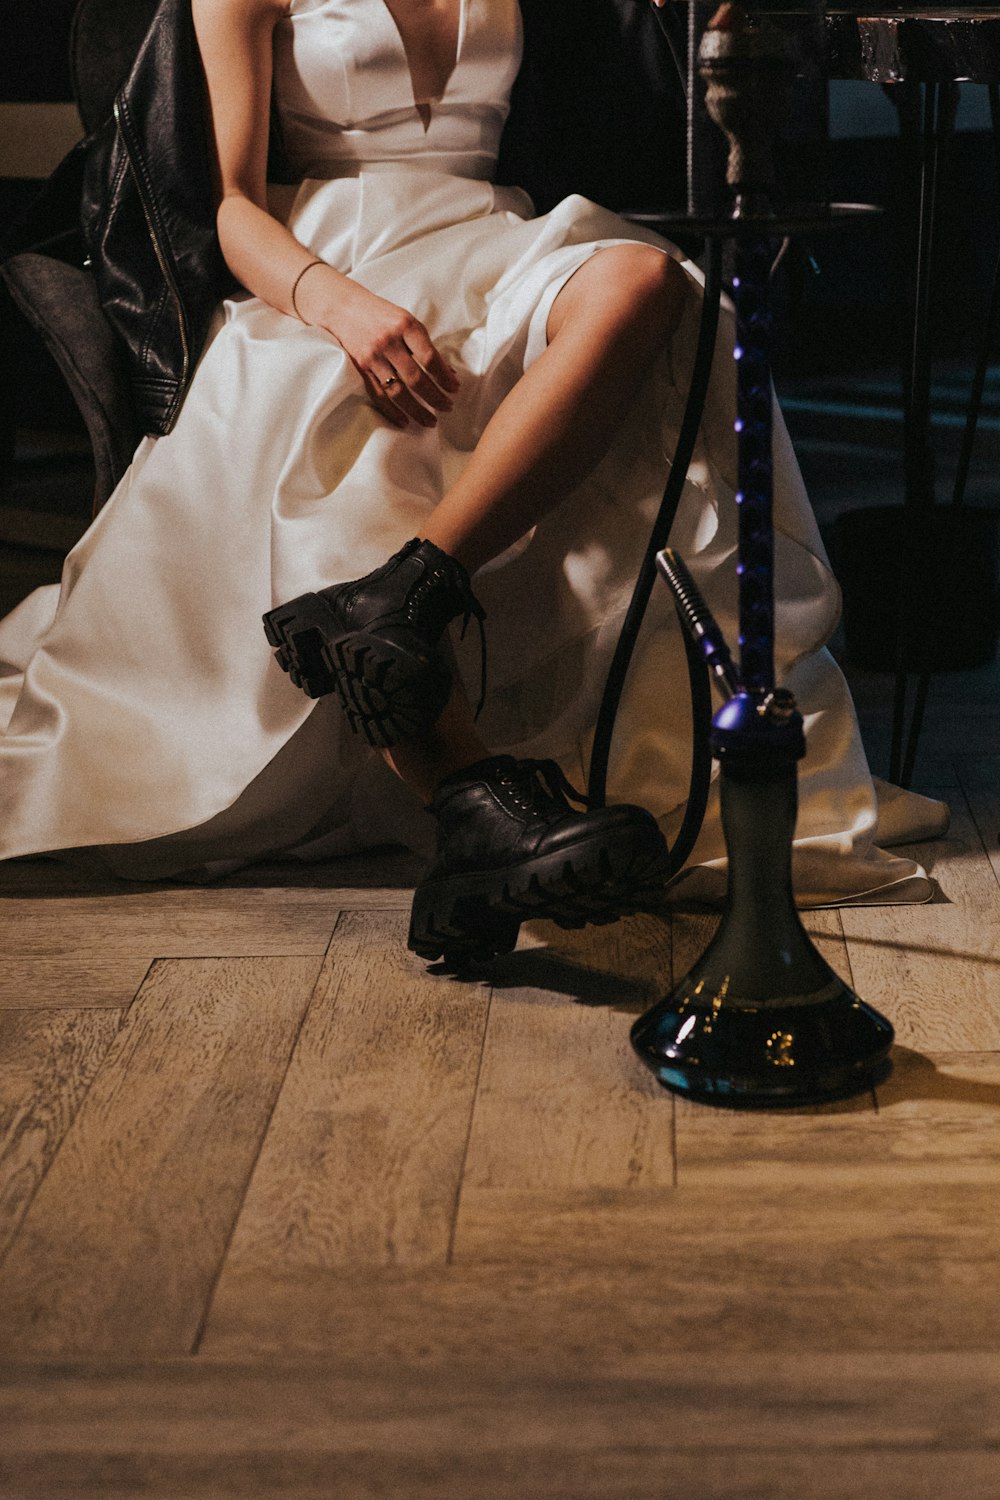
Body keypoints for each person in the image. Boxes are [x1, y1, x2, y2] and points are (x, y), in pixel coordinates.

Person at [0, 0, 944, 964]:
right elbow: (232, 205)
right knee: (364, 436)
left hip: (498, 237)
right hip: (327, 264)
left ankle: (400, 597)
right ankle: (471, 799)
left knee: (648, 286)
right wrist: (339, 305)